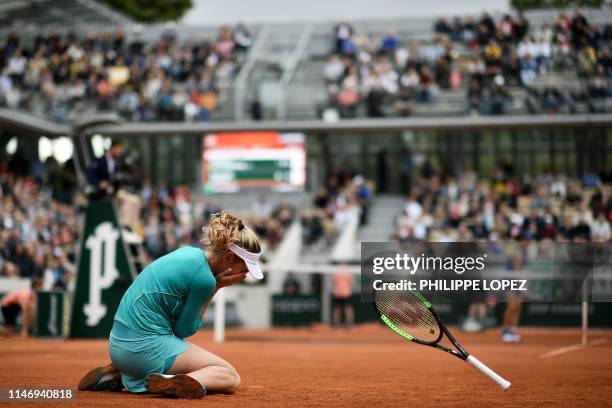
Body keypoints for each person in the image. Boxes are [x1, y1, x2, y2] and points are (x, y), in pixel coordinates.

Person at [78, 212, 264, 398]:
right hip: (144, 352)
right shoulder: (206, 280)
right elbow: (184, 330)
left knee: (168, 345)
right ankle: (171, 379)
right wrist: (215, 288)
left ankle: (117, 372)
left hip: (117, 347)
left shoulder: (187, 252)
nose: (245, 275)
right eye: (245, 268)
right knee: (230, 376)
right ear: (227, 258)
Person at [332, 264, 354, 329]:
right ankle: (347, 324)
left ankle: (341, 324)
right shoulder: (346, 272)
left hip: (341, 293)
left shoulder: (336, 272)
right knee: (341, 309)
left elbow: (333, 282)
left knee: (341, 309)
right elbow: (350, 282)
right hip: (342, 293)